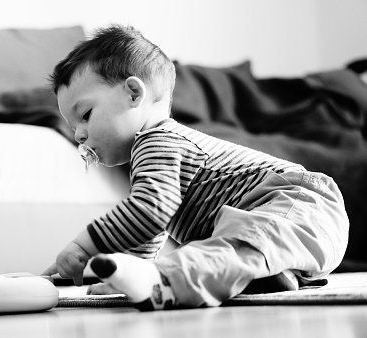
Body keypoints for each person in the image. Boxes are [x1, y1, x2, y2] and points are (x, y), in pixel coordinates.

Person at [42, 24, 349, 310]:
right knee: (233, 252)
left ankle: (165, 282)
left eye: (85, 115)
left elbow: (148, 212)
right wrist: (126, 273)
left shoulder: (158, 140)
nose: (79, 134)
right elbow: (151, 227)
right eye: (72, 127)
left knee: (234, 244)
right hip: (294, 227)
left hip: (294, 201)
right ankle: (274, 276)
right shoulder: (153, 155)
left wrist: (84, 245)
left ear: (134, 94)